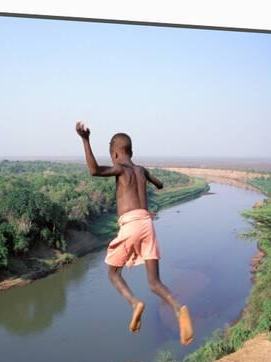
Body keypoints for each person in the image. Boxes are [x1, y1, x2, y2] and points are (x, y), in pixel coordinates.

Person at [76, 121, 194, 346]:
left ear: (117, 153)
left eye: (112, 155)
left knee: (113, 273)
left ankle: (134, 303)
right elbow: (158, 184)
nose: (112, 159)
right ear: (132, 151)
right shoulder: (141, 170)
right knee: (154, 282)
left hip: (130, 224)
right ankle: (179, 309)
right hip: (148, 224)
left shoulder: (120, 169)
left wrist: (85, 139)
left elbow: (94, 170)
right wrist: (154, 182)